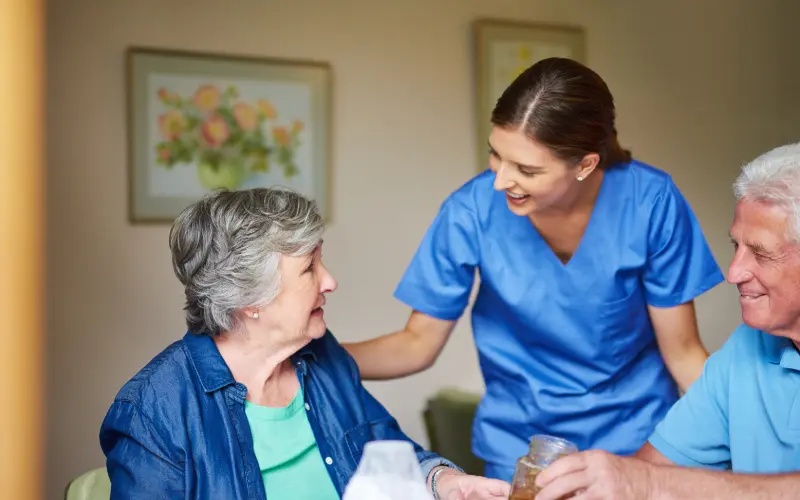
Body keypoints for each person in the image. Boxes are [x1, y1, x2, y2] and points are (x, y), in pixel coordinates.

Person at [342, 57, 724, 481]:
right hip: (520, 449)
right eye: (496, 155)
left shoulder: (650, 203)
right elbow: (416, 344)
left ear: (585, 165)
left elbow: (684, 354)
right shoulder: (471, 211)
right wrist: (308, 357)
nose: (501, 180)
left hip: (637, 443)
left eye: (527, 169)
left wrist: (752, 442)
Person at [99, 188, 510, 500]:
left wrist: (446, 481)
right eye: (309, 268)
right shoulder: (154, 411)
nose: (329, 280)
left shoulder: (322, 356)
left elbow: (390, 454)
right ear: (250, 299)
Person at [533, 142, 800, 500]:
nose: (734, 272)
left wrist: (651, 485)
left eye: (761, 254)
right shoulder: (746, 350)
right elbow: (652, 471)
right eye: (736, 246)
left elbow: (651, 482)